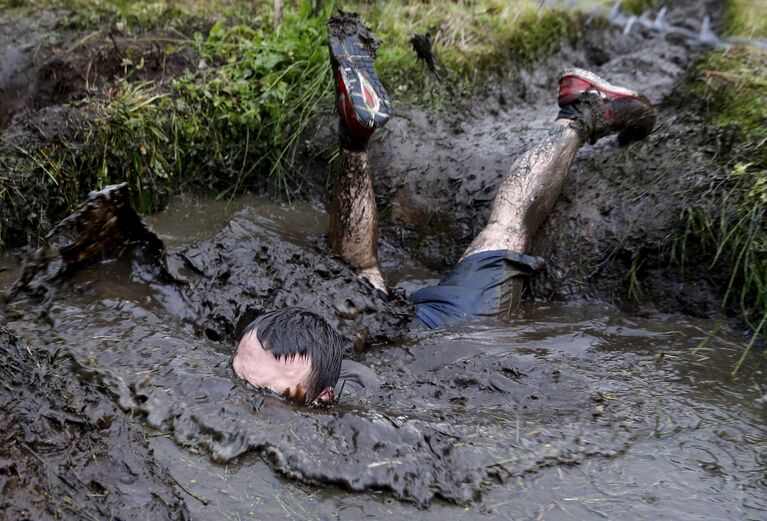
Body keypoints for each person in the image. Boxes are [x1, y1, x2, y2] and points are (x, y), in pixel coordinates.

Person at [217, 13, 652, 406]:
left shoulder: (371, 415)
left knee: (505, 230)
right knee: (356, 280)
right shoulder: (305, 369)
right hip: (378, 329)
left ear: (326, 400)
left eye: (263, 395)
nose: (243, 398)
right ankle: (354, 140)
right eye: (238, 377)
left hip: (452, 332)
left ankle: (585, 110)